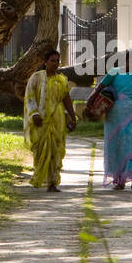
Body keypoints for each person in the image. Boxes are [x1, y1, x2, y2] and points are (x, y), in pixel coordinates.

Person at [24, 48, 77, 192]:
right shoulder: (36, 77)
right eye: (52, 61)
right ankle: (41, 177)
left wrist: (72, 116)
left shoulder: (61, 80)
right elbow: (30, 96)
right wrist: (34, 114)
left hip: (57, 119)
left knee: (56, 149)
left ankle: (52, 182)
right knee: (41, 150)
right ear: (45, 62)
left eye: (57, 61)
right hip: (40, 119)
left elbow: (66, 99)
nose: (55, 64)